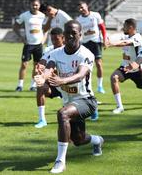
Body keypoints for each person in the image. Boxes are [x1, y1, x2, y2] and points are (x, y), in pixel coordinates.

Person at [35, 20, 104, 173]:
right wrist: (42, 77)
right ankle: (97, 140)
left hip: (86, 100)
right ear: (64, 35)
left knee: (62, 114)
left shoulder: (86, 54)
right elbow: (49, 68)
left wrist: (62, 80)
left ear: (80, 34)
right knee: (78, 140)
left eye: (74, 33)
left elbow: (80, 75)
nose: (71, 35)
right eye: (68, 33)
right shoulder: (56, 53)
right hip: (70, 101)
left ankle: (60, 161)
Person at [107, 18, 142, 114]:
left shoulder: (138, 37)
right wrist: (107, 38)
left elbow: (125, 43)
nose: (122, 28)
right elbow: (118, 38)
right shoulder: (126, 35)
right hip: (125, 67)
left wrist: (111, 44)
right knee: (114, 77)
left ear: (130, 27)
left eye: (124, 26)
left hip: (136, 69)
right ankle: (120, 106)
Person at [13, 0, 46, 92]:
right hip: (28, 45)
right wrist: (21, 37)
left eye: (36, 5)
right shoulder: (25, 15)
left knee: (36, 67)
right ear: (30, 5)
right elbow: (15, 26)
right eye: (33, 5)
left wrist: (44, 38)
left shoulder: (43, 16)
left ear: (39, 6)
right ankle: (20, 85)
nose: (35, 6)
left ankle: (33, 85)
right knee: (24, 65)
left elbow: (47, 28)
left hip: (38, 45)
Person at [34, 27, 64, 128]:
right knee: (40, 87)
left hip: (66, 84)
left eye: (57, 39)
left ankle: (93, 109)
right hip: (53, 85)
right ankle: (42, 119)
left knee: (70, 116)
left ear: (63, 38)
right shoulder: (49, 49)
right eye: (52, 40)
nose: (54, 42)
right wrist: (39, 67)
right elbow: (42, 62)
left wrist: (51, 70)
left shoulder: (68, 50)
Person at [76, 1, 108, 94]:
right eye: (79, 8)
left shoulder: (95, 15)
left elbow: (102, 27)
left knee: (98, 64)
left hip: (96, 42)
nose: (81, 9)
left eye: (82, 7)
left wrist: (105, 39)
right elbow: (79, 33)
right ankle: (85, 86)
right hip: (85, 43)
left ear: (87, 6)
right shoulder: (79, 20)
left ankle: (100, 86)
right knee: (85, 66)